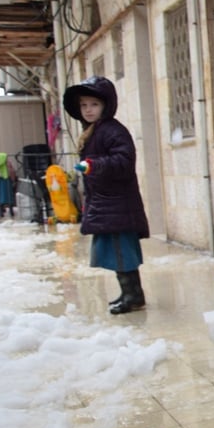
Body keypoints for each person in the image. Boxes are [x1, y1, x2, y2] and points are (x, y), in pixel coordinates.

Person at [63, 76, 150, 315]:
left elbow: (124, 161)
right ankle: (129, 293)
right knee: (115, 253)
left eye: (94, 104)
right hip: (106, 204)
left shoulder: (112, 130)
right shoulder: (94, 131)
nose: (88, 110)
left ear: (105, 105)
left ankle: (133, 296)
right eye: (84, 105)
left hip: (117, 204)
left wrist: (93, 165)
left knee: (122, 252)